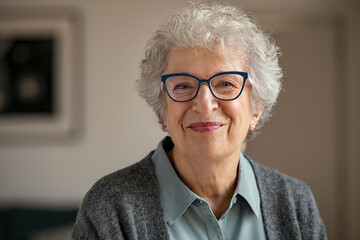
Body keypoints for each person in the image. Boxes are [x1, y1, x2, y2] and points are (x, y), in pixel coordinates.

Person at [72, 3, 327, 240]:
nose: (204, 104)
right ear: (163, 108)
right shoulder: (110, 207)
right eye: (183, 85)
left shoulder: (295, 203)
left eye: (226, 83)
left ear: (256, 108)